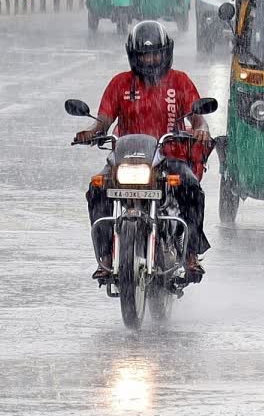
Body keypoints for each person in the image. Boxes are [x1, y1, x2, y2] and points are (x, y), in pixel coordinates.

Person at [74, 21, 213, 281]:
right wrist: (90, 132)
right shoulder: (120, 83)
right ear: (133, 56)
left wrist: (201, 129)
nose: (150, 60)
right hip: (126, 160)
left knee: (192, 190)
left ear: (166, 53)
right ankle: (105, 257)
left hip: (169, 157)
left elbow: (197, 118)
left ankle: (191, 255)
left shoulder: (179, 81)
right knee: (96, 188)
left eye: (155, 54)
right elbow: (103, 121)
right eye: (144, 55)